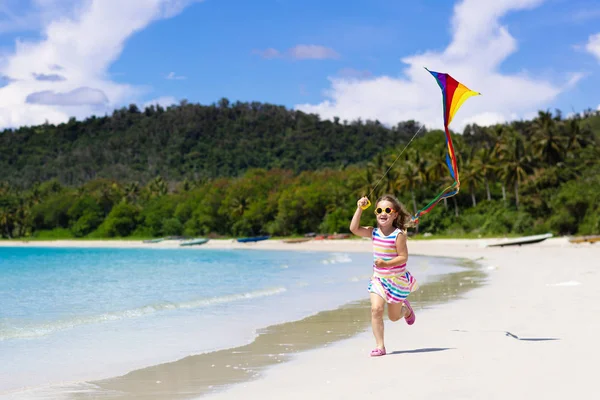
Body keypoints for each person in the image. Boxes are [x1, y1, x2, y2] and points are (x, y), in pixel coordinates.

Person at [349, 194, 419, 357]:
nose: (383, 213)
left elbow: (403, 257)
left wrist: (386, 264)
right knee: (376, 309)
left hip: (396, 281)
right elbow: (354, 229)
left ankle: (405, 310)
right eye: (379, 209)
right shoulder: (373, 232)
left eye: (388, 210)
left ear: (395, 214)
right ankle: (380, 346)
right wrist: (359, 208)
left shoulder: (398, 235)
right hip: (379, 280)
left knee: (394, 317)